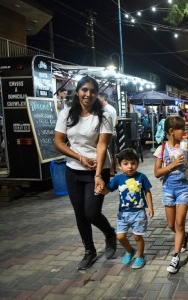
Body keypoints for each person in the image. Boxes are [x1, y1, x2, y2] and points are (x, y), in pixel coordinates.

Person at [54, 76, 117, 270]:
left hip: (98, 170)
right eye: (84, 90)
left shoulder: (104, 114)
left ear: (97, 94)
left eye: (92, 91)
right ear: (78, 91)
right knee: (80, 214)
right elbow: (58, 141)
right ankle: (89, 251)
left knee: (91, 212)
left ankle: (110, 233)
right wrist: (79, 158)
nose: (88, 94)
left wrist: (98, 174)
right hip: (73, 170)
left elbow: (102, 144)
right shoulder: (67, 113)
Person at [153, 116, 188, 274]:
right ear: (171, 131)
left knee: (179, 224)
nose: (185, 131)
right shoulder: (161, 149)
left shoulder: (187, 148)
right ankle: (184, 236)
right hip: (168, 190)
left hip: (184, 189)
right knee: (171, 225)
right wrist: (172, 165)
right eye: (182, 129)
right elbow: (157, 173)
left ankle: (175, 257)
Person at [101, 148, 154, 269]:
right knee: (120, 236)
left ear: (137, 164)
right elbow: (107, 191)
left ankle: (140, 256)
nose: (130, 167)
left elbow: (147, 192)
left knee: (137, 236)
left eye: (133, 163)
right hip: (123, 214)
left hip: (139, 213)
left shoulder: (142, 177)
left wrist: (150, 207)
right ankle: (130, 250)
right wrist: (100, 189)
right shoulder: (118, 179)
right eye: (126, 164)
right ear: (120, 166)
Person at [98, 92, 118, 176]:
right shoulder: (112, 108)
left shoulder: (105, 109)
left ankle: (111, 170)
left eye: (99, 99)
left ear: (103, 99)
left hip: (107, 133)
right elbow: (116, 121)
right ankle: (114, 169)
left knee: (108, 152)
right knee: (113, 152)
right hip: (113, 132)